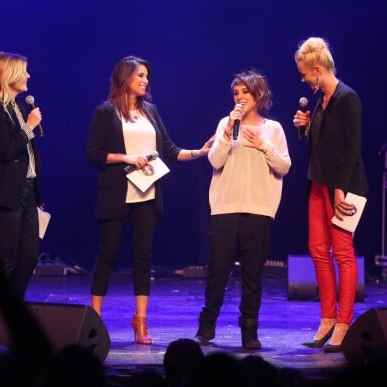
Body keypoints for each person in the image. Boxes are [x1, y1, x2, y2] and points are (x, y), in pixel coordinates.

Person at [85, 55, 213, 345]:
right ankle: (94, 319)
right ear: (125, 77)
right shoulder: (105, 112)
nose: (145, 80)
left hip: (147, 192)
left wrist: (199, 152)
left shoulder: (150, 111)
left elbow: (169, 149)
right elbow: (92, 154)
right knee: (107, 254)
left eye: (147, 76)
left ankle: (140, 321)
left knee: (143, 257)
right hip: (116, 192)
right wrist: (126, 158)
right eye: (139, 75)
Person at [195, 69, 291, 350]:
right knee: (218, 270)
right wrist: (227, 131)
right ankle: (207, 326)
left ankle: (249, 330)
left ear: (258, 95)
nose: (239, 98)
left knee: (253, 273)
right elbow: (215, 160)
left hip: (259, 208)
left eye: (244, 92)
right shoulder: (227, 123)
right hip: (226, 205)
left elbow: (284, 165)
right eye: (235, 93)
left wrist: (264, 146)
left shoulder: (273, 129)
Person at [292, 37, 368, 352]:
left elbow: (352, 147)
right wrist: (304, 129)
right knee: (318, 250)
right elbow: (320, 146)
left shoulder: (347, 98)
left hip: (344, 185)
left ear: (318, 69)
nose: (303, 80)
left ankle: (343, 322)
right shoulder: (321, 101)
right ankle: (326, 317)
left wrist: (340, 189)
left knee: (342, 251)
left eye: (305, 74)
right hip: (319, 183)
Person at [0, 52, 44, 343]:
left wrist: (38, 195)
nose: (28, 76)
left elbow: (29, 157)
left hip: (27, 193)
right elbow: (4, 151)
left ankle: (11, 318)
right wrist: (29, 127)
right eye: (24, 71)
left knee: (28, 258)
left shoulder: (15, 107)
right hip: (5, 195)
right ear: (10, 74)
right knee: (7, 262)